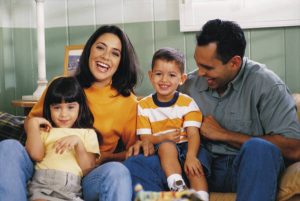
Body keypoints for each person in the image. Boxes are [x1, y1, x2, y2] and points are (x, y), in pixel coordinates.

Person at [124, 19, 300, 201]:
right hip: (196, 165)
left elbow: (295, 148)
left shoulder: (267, 85)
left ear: (234, 63)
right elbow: (161, 114)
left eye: (207, 67)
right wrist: (145, 142)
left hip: (243, 169)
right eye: (198, 64)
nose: (199, 73)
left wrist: (224, 134)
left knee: (260, 149)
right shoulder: (188, 85)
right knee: (137, 163)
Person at [0, 25, 152, 201]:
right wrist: (31, 123)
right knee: (8, 147)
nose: (105, 56)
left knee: (118, 172)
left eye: (115, 53)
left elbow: (131, 152)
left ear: (121, 62)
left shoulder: (128, 103)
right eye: (100, 47)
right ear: (89, 50)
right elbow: (32, 120)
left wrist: (102, 157)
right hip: (42, 169)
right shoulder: (61, 84)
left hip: (86, 175)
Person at [137, 47, 208, 201]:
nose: (164, 80)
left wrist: (191, 156)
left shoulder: (187, 103)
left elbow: (193, 133)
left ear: (181, 79)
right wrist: (163, 137)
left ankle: (201, 197)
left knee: (195, 169)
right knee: (167, 146)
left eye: (171, 75)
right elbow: (145, 138)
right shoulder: (143, 105)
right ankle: (179, 189)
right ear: (151, 75)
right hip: (163, 151)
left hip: (189, 146)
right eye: (158, 74)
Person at [26, 77, 100, 201]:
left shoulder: (88, 133)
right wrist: (33, 124)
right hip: (42, 185)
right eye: (57, 107)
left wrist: (79, 143)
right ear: (49, 108)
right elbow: (36, 155)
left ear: (80, 107)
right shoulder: (45, 131)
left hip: (71, 190)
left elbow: (88, 168)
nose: (64, 114)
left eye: (70, 107)